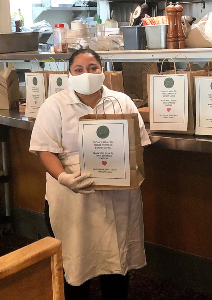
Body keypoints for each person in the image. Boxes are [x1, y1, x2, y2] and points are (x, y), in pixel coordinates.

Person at [29, 48, 150, 300]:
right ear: (69, 73)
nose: (87, 74)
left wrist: (132, 171)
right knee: (74, 265)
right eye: (79, 69)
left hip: (118, 197)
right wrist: (64, 178)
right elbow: (45, 150)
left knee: (117, 262)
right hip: (73, 198)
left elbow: (137, 143)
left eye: (93, 68)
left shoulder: (122, 101)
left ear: (102, 70)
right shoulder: (54, 105)